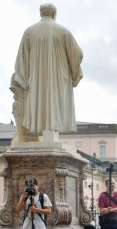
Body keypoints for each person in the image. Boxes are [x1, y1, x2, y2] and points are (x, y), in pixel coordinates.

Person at [11, 3, 83, 140]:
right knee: (55, 102)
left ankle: (38, 126)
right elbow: (77, 54)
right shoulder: (64, 32)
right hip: (58, 78)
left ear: (40, 13)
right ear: (54, 14)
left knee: (40, 99)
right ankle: (53, 127)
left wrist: (24, 79)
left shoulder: (29, 32)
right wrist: (74, 75)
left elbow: (21, 60)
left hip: (36, 80)